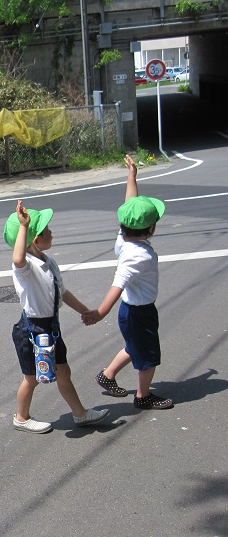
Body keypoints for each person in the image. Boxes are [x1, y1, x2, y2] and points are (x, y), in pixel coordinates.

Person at [5, 201, 110, 433]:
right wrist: (24, 226)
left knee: (64, 371)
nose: (52, 233)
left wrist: (85, 310)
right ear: (35, 240)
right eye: (47, 231)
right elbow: (18, 259)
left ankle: (80, 414)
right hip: (31, 330)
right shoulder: (26, 268)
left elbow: (62, 292)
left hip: (51, 327)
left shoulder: (49, 262)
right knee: (31, 378)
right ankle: (21, 418)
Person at [82, 155, 173, 410]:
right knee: (148, 357)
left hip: (132, 309)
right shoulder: (138, 255)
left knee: (135, 346)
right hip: (138, 311)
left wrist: (131, 176)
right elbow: (118, 283)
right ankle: (143, 396)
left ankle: (107, 375)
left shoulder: (123, 238)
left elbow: (130, 205)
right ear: (152, 229)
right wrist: (100, 313)